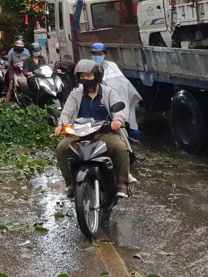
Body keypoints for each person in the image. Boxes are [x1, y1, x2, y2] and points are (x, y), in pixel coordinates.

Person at [54, 60, 131, 199]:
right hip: (79, 132)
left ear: (96, 76)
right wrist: (61, 125)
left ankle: (121, 184)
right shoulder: (75, 94)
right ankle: (71, 184)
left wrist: (117, 121)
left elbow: (119, 112)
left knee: (120, 148)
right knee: (61, 148)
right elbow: (66, 113)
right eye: (82, 76)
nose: (85, 79)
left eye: (88, 76)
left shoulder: (109, 93)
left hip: (103, 132)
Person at [92, 43, 142, 183]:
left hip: (111, 108)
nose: (97, 57)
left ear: (104, 54)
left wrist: (119, 117)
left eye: (100, 54)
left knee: (122, 142)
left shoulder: (112, 67)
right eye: (95, 54)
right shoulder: (87, 67)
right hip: (92, 110)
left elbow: (123, 86)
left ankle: (124, 174)